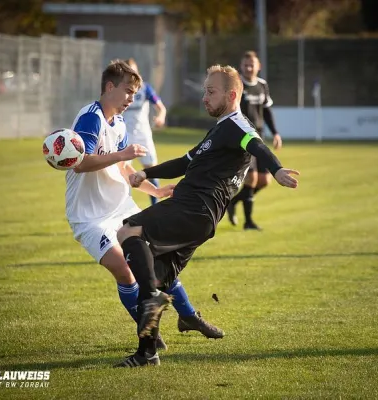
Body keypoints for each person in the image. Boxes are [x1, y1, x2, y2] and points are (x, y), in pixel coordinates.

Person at [114, 64, 299, 367]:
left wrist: (276, 168)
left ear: (232, 94)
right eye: (204, 91)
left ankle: (153, 302)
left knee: (128, 233)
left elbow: (256, 144)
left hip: (194, 206)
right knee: (157, 279)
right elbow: (185, 162)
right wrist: (146, 173)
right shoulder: (220, 129)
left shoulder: (237, 126)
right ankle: (147, 353)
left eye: (211, 92)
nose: (204, 97)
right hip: (201, 216)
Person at [66, 60, 223, 354]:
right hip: (89, 216)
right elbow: (80, 164)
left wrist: (156, 189)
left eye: (135, 95)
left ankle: (188, 316)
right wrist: (122, 154)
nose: (131, 100)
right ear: (110, 87)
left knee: (151, 262)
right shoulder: (90, 118)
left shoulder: (121, 124)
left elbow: (125, 167)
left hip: (122, 207)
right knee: (124, 272)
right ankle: (149, 333)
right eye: (127, 92)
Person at [227, 50, 282, 231]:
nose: (249, 68)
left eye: (252, 65)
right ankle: (248, 222)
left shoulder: (262, 85)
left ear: (259, 67)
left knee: (265, 180)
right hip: (243, 138)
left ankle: (234, 201)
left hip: (259, 137)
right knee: (251, 178)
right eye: (245, 65)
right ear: (241, 67)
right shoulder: (238, 85)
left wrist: (275, 133)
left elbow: (266, 111)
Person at [122, 58, 166, 206]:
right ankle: (120, 205)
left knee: (151, 170)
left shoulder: (145, 88)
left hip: (143, 135)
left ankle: (156, 206)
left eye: (133, 71)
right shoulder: (119, 91)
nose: (131, 74)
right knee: (121, 171)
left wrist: (160, 116)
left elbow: (161, 107)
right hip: (124, 136)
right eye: (128, 71)